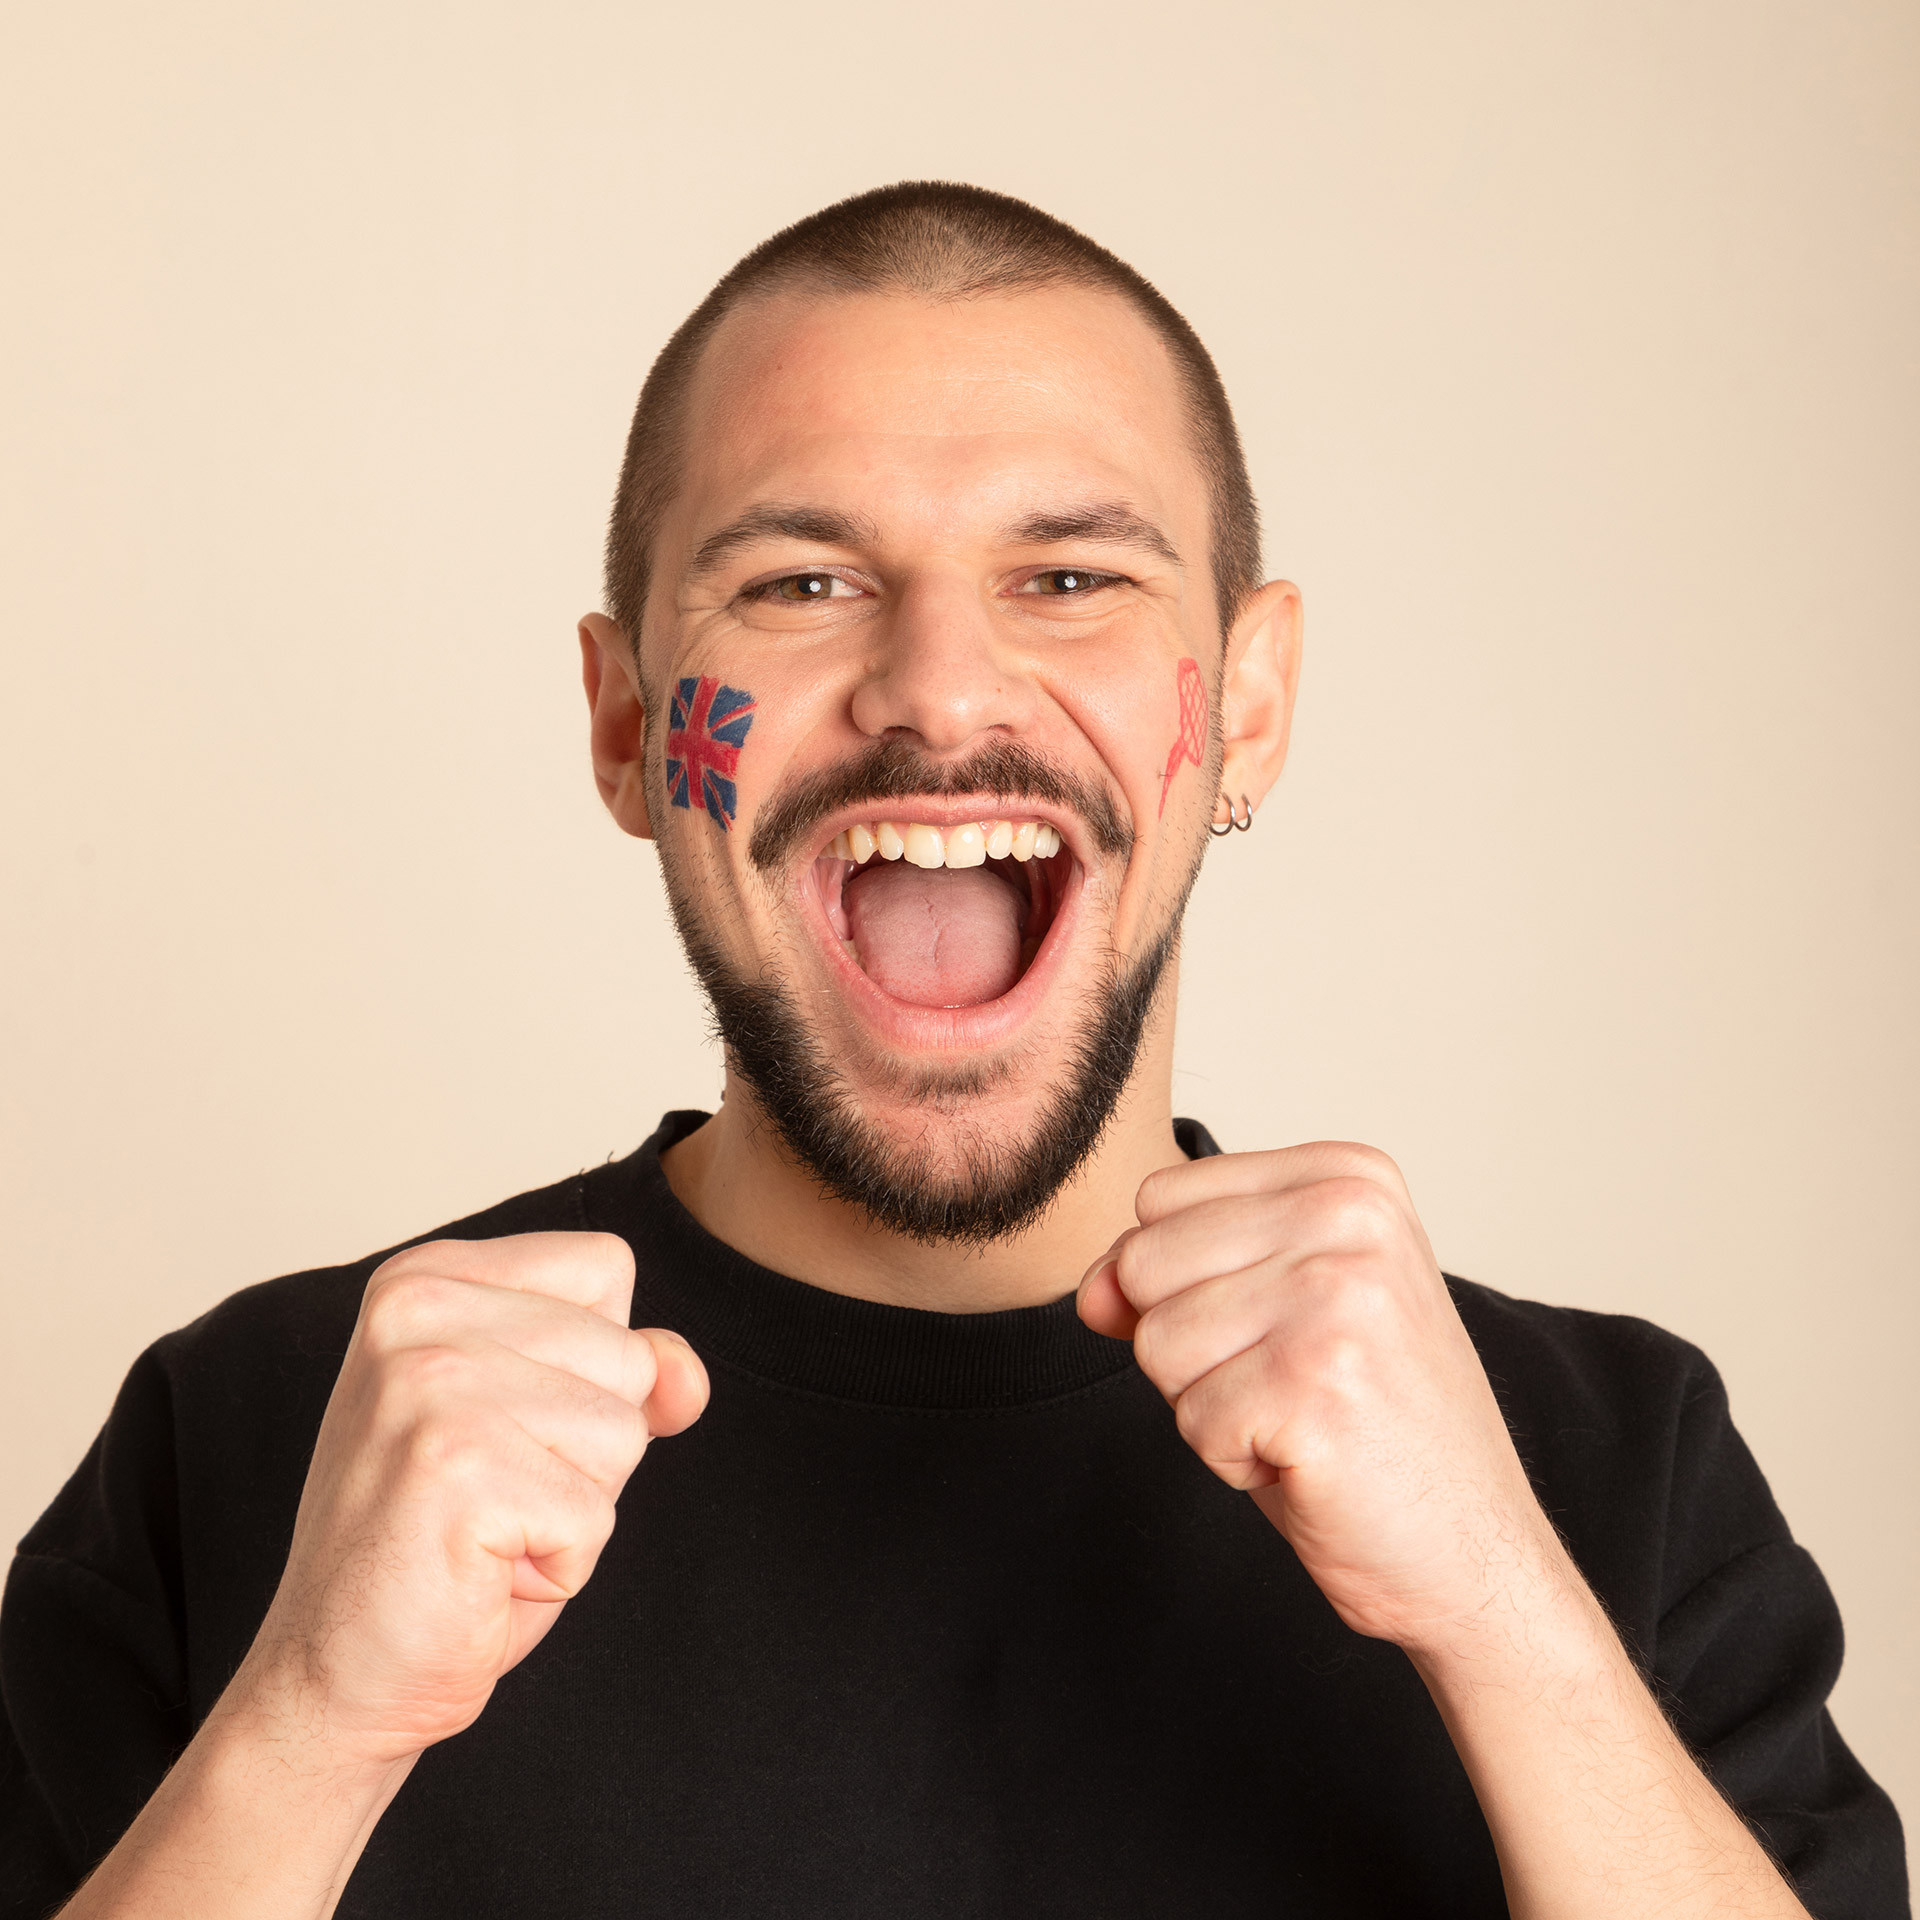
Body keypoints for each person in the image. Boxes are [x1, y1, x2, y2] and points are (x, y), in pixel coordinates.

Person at [0, 182, 1905, 1920]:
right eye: (801, 583)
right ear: (622, 721)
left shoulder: (1597, 1466)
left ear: (1243, 708)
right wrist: (309, 1727)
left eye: (1069, 577)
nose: (939, 688)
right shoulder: (269, 1434)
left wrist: (1509, 1620)